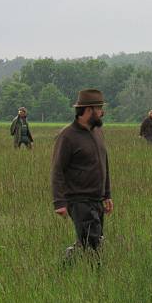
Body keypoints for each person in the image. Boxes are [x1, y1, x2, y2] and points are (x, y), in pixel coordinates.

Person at [51, 89, 113, 263]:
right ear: (87, 110)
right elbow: (57, 170)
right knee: (94, 244)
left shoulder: (98, 132)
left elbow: (104, 163)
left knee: (89, 240)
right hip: (78, 200)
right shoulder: (67, 136)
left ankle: (65, 266)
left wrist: (107, 195)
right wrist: (59, 202)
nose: (102, 112)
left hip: (97, 199)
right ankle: (97, 278)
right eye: (99, 108)